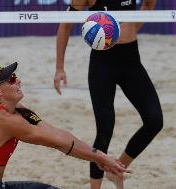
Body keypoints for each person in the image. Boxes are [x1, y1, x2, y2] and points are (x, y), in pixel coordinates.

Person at [0, 62, 130, 189]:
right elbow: (59, 142)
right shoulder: (4, 120)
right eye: (11, 80)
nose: (18, 82)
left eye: (15, 77)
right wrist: (99, 157)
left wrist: (97, 157)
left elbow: (54, 132)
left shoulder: (14, 109)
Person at [54, 1, 163, 189]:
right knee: (105, 130)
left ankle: (116, 170)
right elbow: (65, 25)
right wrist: (59, 68)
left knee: (154, 121)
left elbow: (148, 5)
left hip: (131, 60)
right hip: (102, 64)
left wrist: (127, 30)